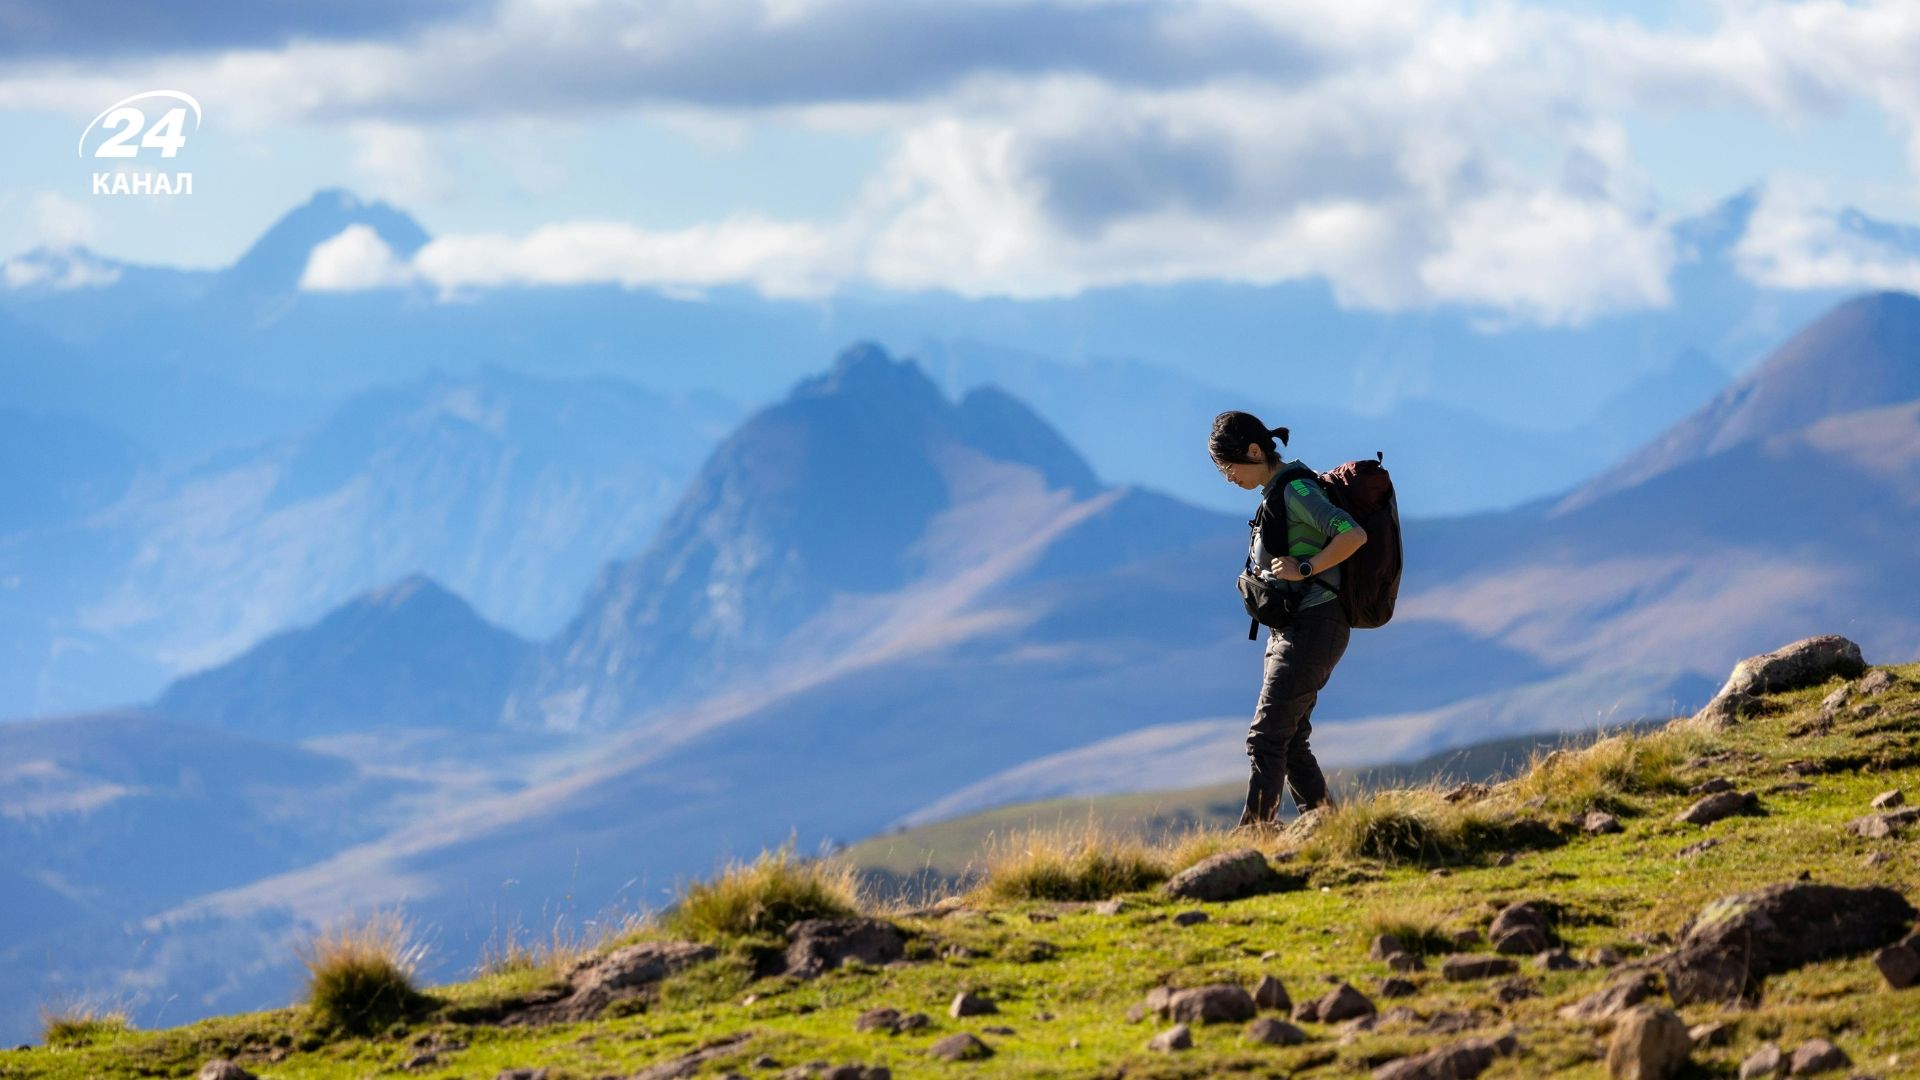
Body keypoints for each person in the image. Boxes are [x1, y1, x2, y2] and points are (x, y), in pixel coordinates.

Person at [1209, 411, 1368, 830]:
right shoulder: (1275, 492)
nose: (1228, 478)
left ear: (1254, 451)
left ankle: (1254, 837)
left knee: (1266, 738)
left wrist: (1306, 568)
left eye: (1228, 467)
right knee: (1291, 740)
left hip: (1316, 623)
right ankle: (1328, 830)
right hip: (1294, 628)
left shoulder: (1296, 489)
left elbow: (1353, 534)